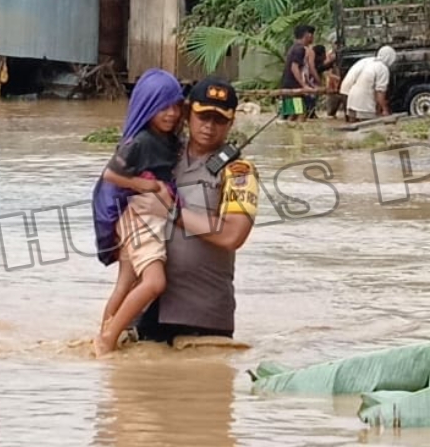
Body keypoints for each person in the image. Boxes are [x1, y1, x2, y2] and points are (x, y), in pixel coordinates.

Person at [131, 76, 260, 345]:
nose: (209, 127)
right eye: (203, 117)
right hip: (146, 306)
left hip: (202, 314)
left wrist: (171, 213)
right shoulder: (161, 155)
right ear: (188, 114)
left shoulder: (239, 172)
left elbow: (232, 235)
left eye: (219, 120)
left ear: (231, 122)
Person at [91, 68, 185, 357]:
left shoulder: (168, 140)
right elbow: (110, 175)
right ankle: (108, 339)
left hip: (137, 216)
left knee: (126, 282)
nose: (170, 114)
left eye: (175, 106)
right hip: (140, 216)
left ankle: (103, 333)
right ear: (147, 108)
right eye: (162, 108)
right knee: (155, 282)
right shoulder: (141, 142)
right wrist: (148, 185)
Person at [338, 45, 397, 122]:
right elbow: (380, 92)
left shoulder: (370, 62)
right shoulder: (383, 68)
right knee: (368, 130)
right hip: (364, 104)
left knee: (352, 127)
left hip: (351, 100)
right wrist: (385, 110)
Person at [279, 25, 315, 121]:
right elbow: (294, 68)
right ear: (307, 35)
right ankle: (297, 136)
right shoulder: (300, 49)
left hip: (288, 85)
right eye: (312, 35)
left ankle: (289, 134)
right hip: (293, 87)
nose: (313, 37)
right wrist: (304, 85)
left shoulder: (294, 48)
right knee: (300, 114)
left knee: (294, 114)